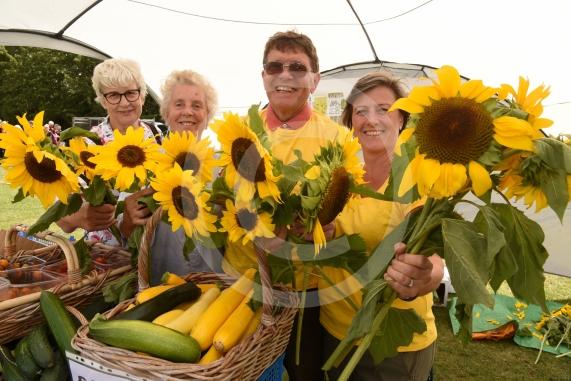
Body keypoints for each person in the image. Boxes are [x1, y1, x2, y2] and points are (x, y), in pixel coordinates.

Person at [221, 30, 349, 381]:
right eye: (275, 66)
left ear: (315, 79)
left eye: (297, 66)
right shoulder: (238, 134)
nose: (285, 75)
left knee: (302, 372)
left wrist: (330, 227)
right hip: (244, 283)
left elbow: (350, 207)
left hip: (306, 291)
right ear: (264, 76)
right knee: (240, 372)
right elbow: (219, 201)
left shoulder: (338, 139)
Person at [319, 72, 444, 381]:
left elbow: (435, 260)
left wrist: (424, 277)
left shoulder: (417, 178)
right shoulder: (343, 176)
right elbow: (337, 232)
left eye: (383, 108)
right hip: (334, 329)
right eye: (361, 111)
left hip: (392, 343)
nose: (371, 119)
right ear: (351, 121)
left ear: (402, 119)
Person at [57, 58, 161, 246]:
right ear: (103, 101)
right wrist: (79, 215)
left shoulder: (156, 136)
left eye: (131, 93)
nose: (124, 102)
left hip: (152, 250)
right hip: (106, 257)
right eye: (114, 95)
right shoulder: (89, 145)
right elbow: (62, 218)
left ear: (142, 96)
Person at [149, 69, 222, 285]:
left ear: (208, 115)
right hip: (159, 284)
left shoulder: (223, 165)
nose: (187, 112)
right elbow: (125, 225)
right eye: (179, 104)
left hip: (215, 284)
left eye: (197, 105)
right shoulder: (149, 162)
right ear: (167, 113)